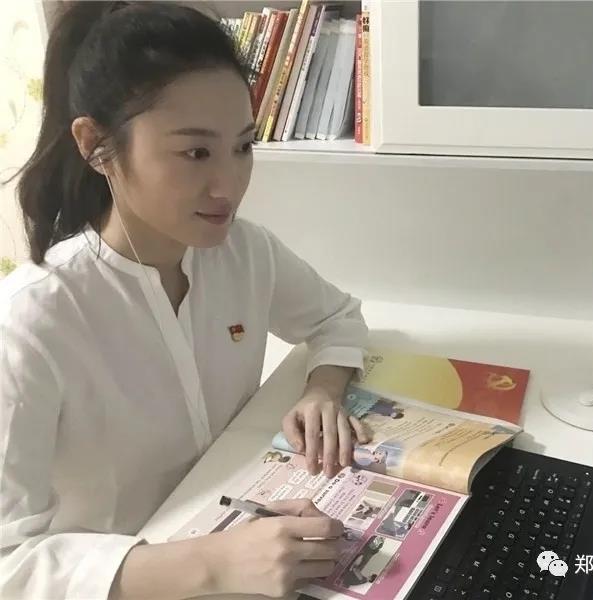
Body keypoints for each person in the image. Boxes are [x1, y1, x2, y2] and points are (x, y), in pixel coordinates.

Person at [0, 2, 373, 598]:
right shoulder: (29, 321)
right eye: (196, 153)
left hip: (247, 540)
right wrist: (213, 564)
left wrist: (322, 391)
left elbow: (338, 317)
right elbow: (9, 563)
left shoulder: (244, 252)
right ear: (96, 146)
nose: (230, 185)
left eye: (243, 147)